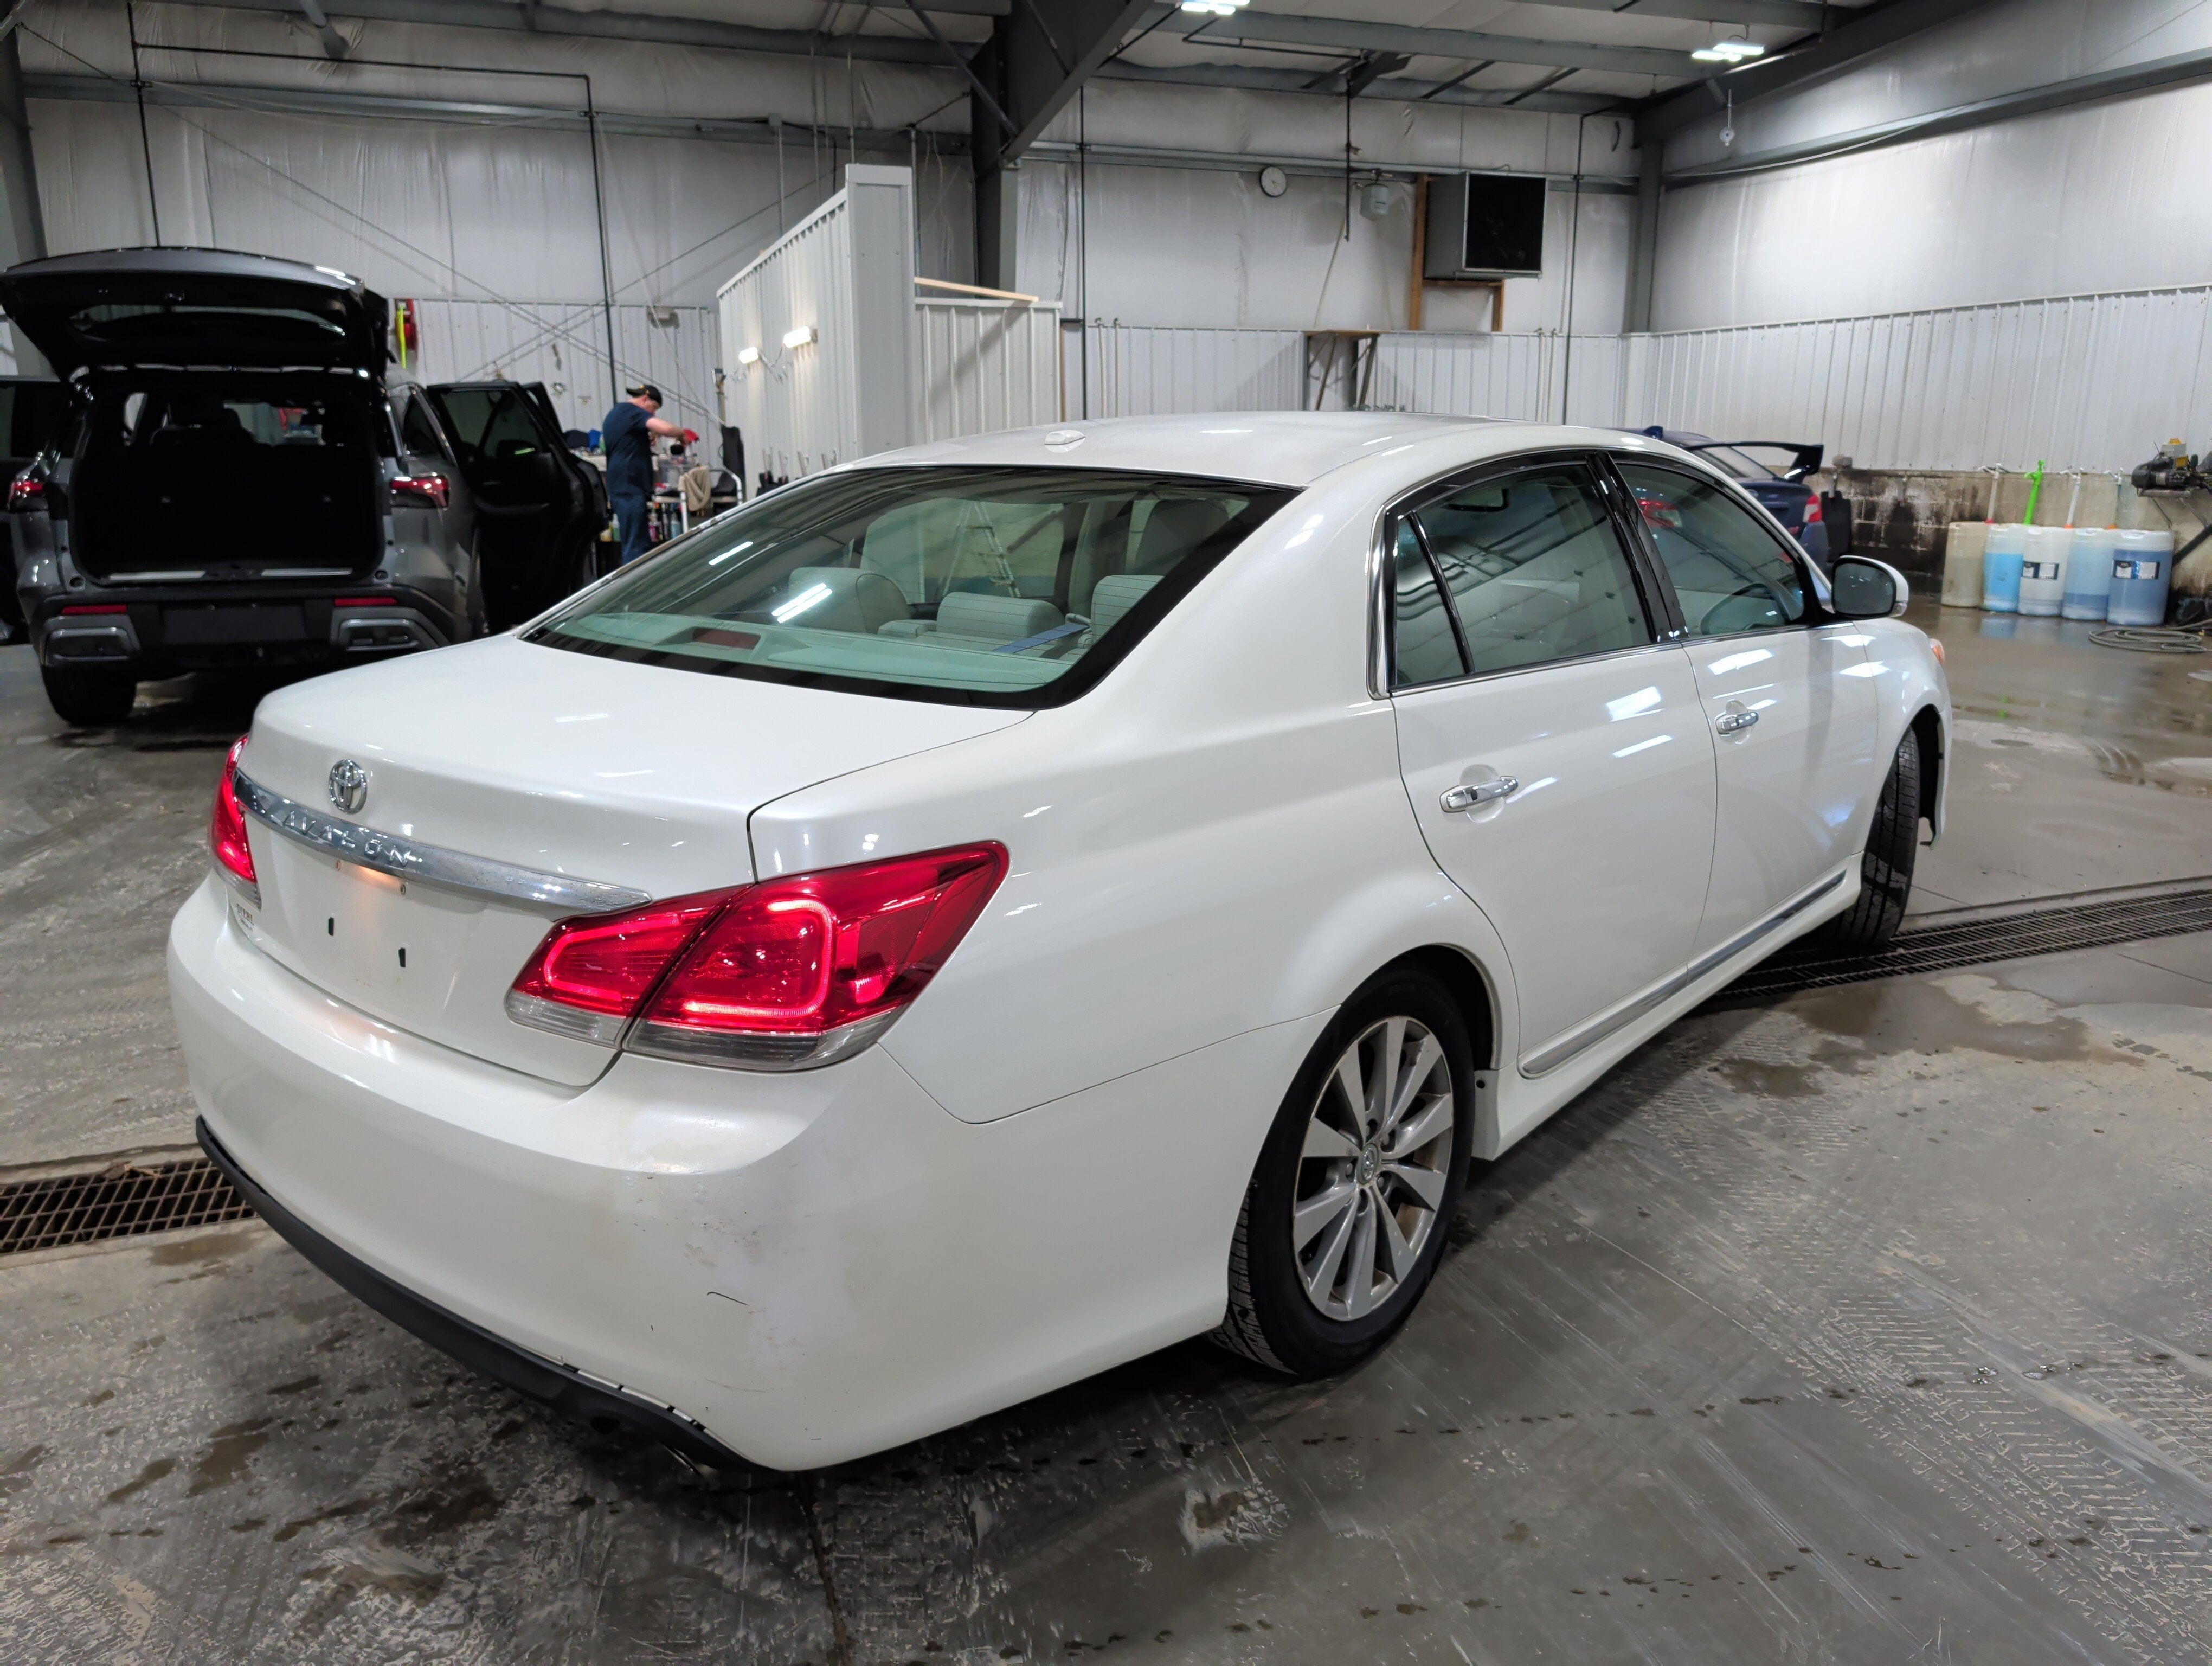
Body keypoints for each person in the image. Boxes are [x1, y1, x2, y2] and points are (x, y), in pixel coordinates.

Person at [601, 385, 696, 563]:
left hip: (626, 489)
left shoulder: (619, 414)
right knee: (635, 547)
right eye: (654, 409)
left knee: (639, 544)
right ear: (645, 399)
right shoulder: (631, 411)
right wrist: (682, 434)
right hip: (628, 489)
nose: (653, 414)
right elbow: (666, 429)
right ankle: (634, 587)